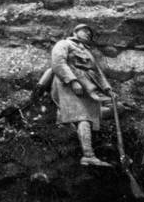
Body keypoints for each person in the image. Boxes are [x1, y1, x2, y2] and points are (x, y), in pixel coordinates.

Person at [49, 24, 116, 167]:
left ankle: (86, 151)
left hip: (87, 87)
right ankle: (88, 155)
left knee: (92, 115)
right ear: (75, 32)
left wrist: (107, 89)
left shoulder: (87, 52)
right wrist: (73, 81)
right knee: (83, 117)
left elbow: (97, 72)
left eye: (89, 33)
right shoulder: (64, 44)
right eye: (84, 31)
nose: (88, 34)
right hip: (67, 85)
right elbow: (58, 63)